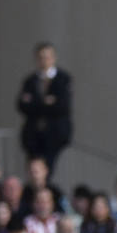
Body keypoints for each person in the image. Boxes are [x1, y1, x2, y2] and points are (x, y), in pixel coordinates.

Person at [16, 42, 73, 171]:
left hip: (55, 134)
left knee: (48, 168)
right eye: (41, 57)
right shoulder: (30, 80)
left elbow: (62, 106)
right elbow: (22, 106)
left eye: (47, 57)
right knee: (34, 168)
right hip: (33, 135)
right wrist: (46, 102)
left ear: (53, 58)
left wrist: (35, 103)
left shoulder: (63, 79)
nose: (44, 61)